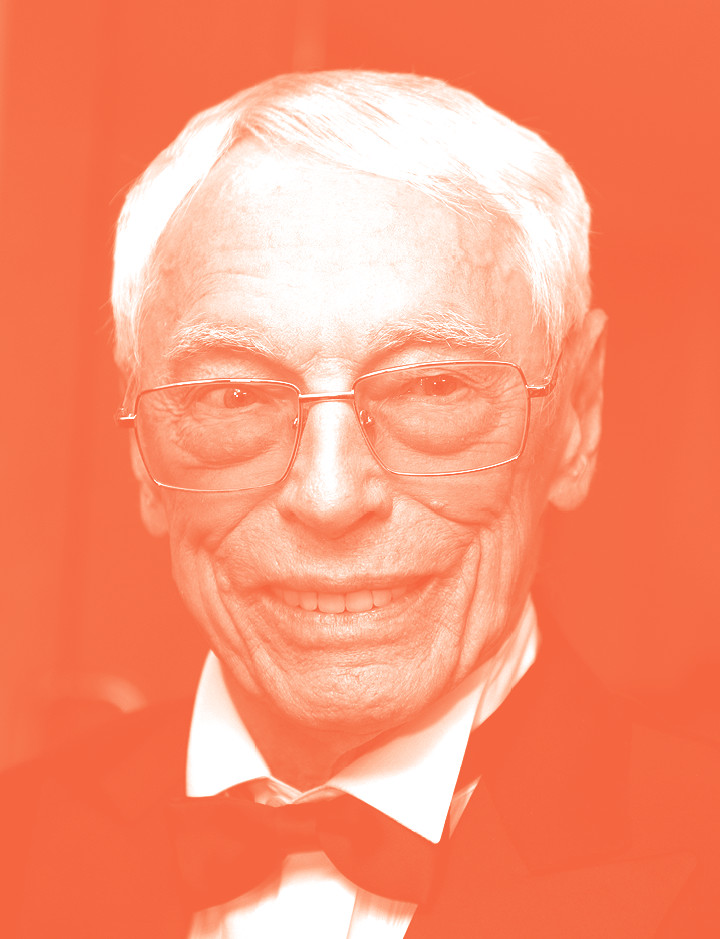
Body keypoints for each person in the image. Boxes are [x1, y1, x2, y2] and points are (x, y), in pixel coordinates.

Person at [2, 70, 718, 939]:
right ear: (142, 452)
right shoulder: (18, 840)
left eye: (433, 385)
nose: (330, 496)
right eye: (234, 395)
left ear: (577, 416)